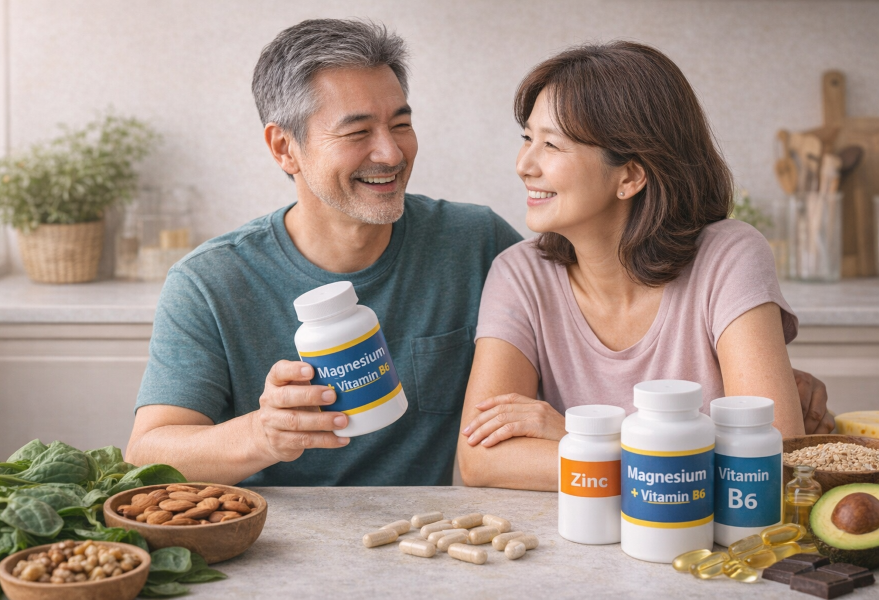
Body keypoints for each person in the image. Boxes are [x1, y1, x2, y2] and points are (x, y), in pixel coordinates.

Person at [126, 21, 829, 488]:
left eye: (401, 122)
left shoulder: (478, 244)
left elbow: (613, 307)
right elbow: (147, 452)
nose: (391, 151)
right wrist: (262, 434)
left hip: (458, 541)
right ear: (285, 148)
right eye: (358, 130)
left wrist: (747, 365)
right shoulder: (211, 282)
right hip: (286, 549)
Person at [457, 42, 835, 492]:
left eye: (552, 145)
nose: (524, 165)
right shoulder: (519, 274)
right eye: (527, 138)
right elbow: (481, 459)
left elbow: (765, 461)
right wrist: (669, 463)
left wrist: (586, 444)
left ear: (630, 176)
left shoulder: (729, 257)